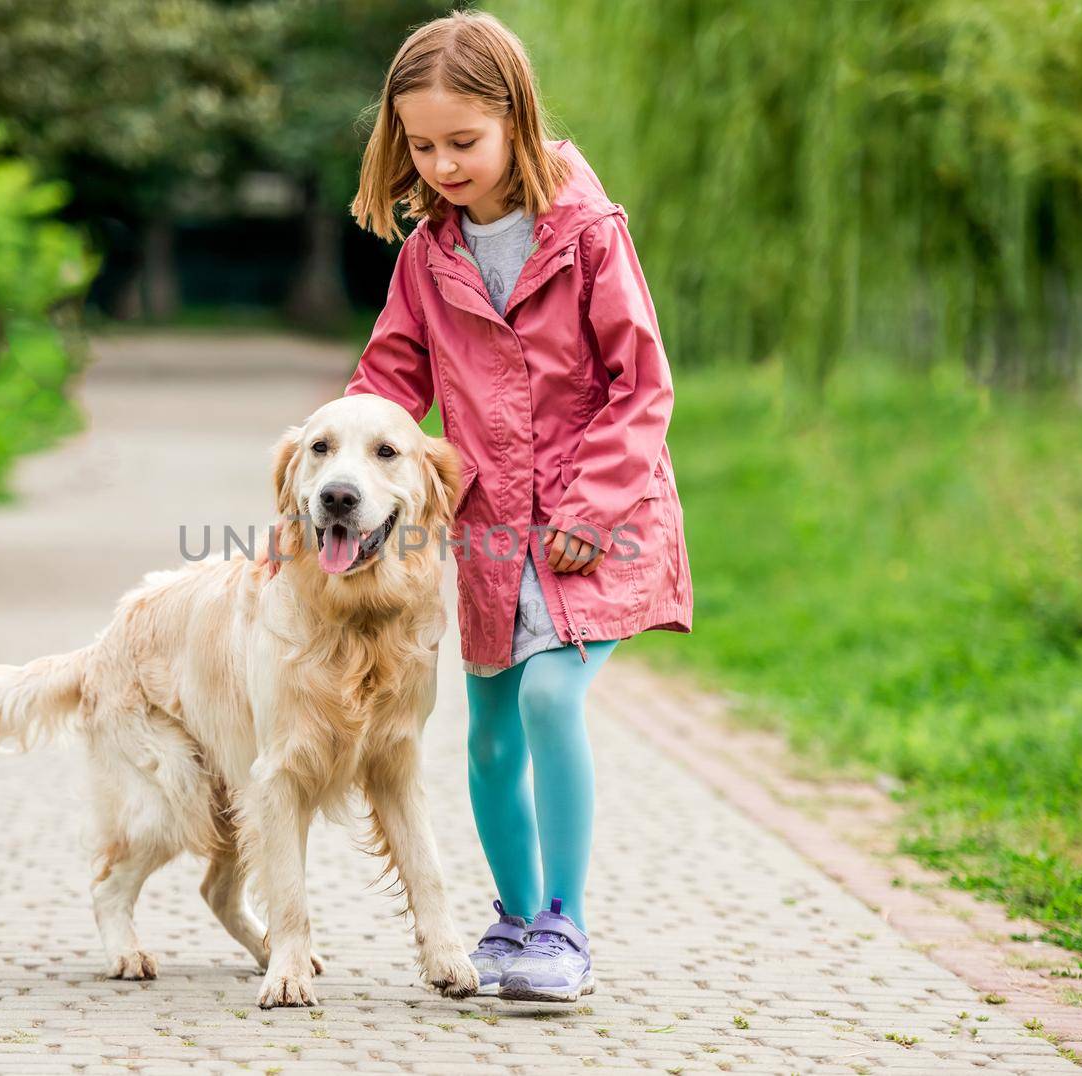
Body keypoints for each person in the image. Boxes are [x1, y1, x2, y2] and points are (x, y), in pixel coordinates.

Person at [340, 10, 692, 1003]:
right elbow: (387, 379)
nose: (443, 164)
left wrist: (593, 502)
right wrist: (338, 471)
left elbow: (641, 385)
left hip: (596, 522)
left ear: (516, 122)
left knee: (548, 696)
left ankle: (564, 926)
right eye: (421, 145)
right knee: (489, 730)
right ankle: (514, 911)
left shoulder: (586, 233)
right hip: (492, 529)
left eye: (464, 142)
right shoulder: (428, 257)